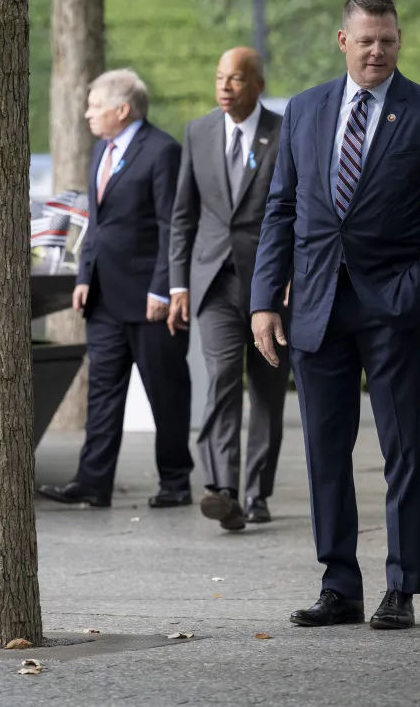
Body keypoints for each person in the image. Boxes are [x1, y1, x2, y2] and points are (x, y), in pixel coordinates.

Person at [249, 0, 420, 629]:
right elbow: (282, 210)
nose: (379, 51)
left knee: (404, 447)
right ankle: (339, 585)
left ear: (399, 41)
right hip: (316, 307)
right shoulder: (304, 110)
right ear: (342, 41)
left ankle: (402, 586)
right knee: (326, 448)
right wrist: (265, 300)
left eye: (389, 40)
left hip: (393, 308)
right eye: (367, 40)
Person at [37, 69, 193, 510]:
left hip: (151, 300)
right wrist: (84, 275)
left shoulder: (162, 152)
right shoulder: (101, 151)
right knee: (103, 391)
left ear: (122, 110)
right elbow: (96, 224)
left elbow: (173, 226)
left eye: (95, 106)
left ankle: (175, 482)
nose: (87, 114)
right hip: (104, 297)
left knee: (166, 390)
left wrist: (164, 289)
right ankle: (92, 482)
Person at [167, 47, 291, 531]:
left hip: (270, 285)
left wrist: (291, 277)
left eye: (236, 79)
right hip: (214, 279)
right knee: (220, 378)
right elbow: (183, 216)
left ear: (257, 84)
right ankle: (223, 488)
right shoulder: (198, 132)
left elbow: (298, 213)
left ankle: (258, 491)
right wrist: (178, 283)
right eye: (220, 77)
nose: (225, 87)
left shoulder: (284, 132)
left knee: (266, 391)